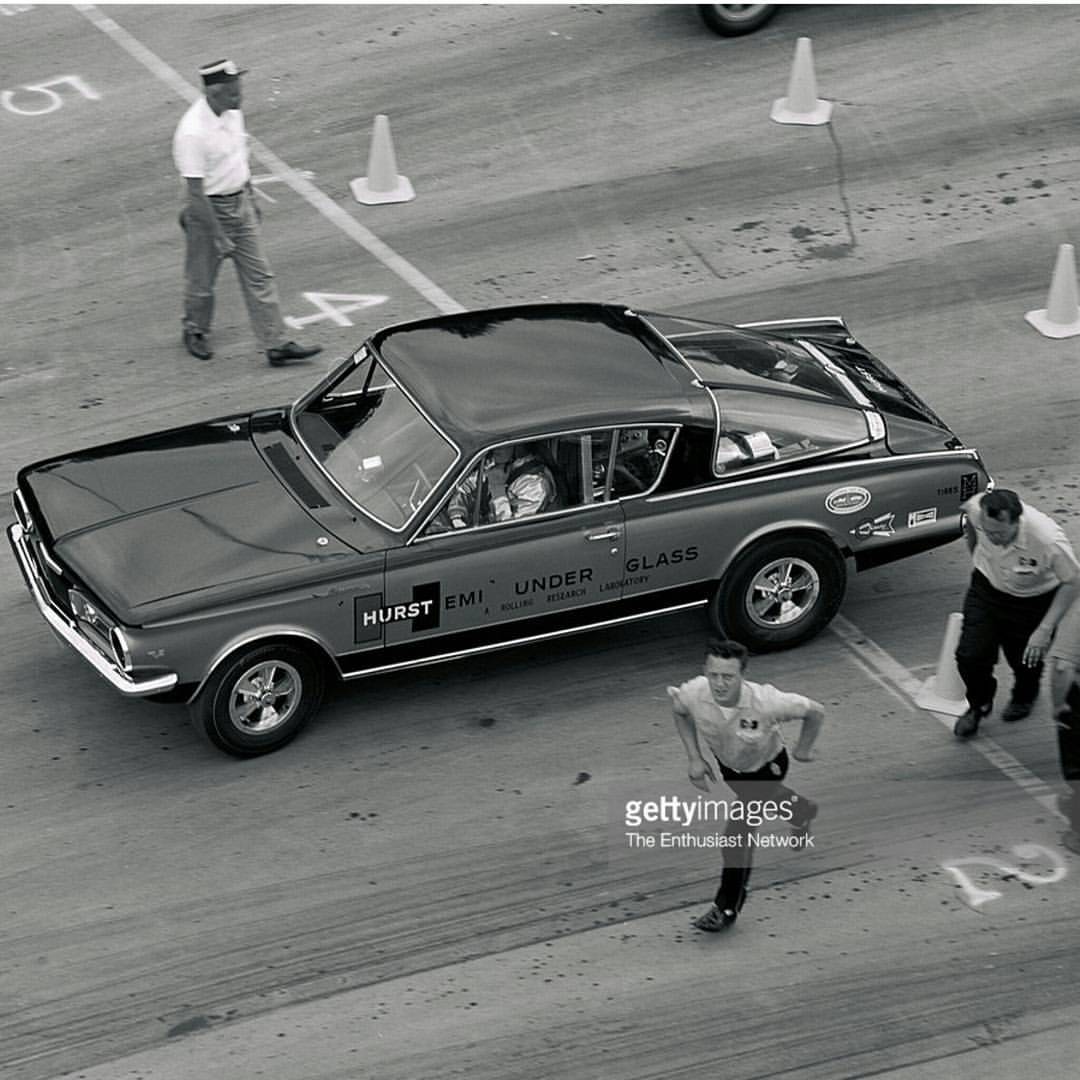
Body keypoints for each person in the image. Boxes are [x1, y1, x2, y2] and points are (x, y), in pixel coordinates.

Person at [669, 638, 824, 934]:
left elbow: (816, 711)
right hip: (732, 769)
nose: (719, 684)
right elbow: (678, 710)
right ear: (705, 670)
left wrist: (803, 750)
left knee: (736, 835)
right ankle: (802, 811)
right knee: (757, 800)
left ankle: (726, 907)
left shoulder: (767, 701)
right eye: (714, 675)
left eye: (728, 676)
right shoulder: (694, 692)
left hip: (767, 768)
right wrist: (694, 757)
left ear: (742, 674)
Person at [172, 58, 321, 367]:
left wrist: (250, 197)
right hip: (208, 211)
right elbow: (196, 194)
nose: (239, 96)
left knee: (260, 276)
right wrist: (219, 235)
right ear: (213, 92)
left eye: (239, 89)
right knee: (201, 281)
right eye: (232, 91)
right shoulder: (192, 133)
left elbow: (239, 158)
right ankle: (195, 329)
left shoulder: (232, 114)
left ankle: (275, 343)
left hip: (239, 202)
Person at [952, 488, 1079, 739]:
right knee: (970, 654)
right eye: (988, 532)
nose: (993, 538)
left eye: (998, 533)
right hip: (987, 589)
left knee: (1025, 659)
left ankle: (1024, 696)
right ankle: (979, 704)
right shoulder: (979, 510)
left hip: (1032, 601)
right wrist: (977, 555)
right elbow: (969, 522)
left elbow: (1073, 581)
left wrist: (1043, 631)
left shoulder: (1046, 539)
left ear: (1016, 521)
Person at [448, 443, 557, 528]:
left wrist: (497, 489)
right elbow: (470, 486)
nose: (497, 449)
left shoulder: (535, 485)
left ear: (520, 446)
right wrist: (456, 515)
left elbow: (509, 530)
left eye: (505, 445)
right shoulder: (503, 465)